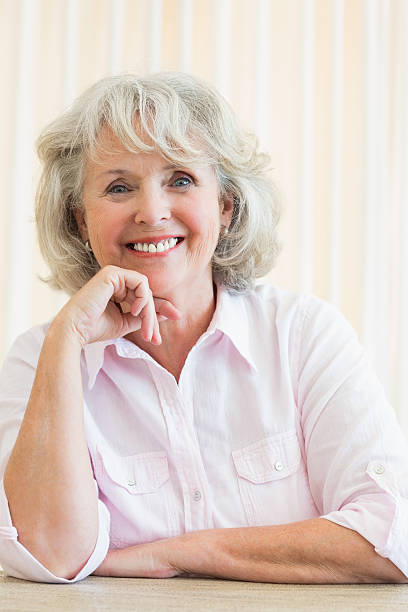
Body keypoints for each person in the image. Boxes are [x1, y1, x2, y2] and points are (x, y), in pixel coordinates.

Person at [0, 72, 407, 585]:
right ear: (81, 221)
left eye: (181, 180)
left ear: (225, 207)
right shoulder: (41, 356)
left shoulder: (304, 335)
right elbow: (48, 555)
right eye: (119, 187)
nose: (152, 212)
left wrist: (179, 554)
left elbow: (392, 537)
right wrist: (66, 340)